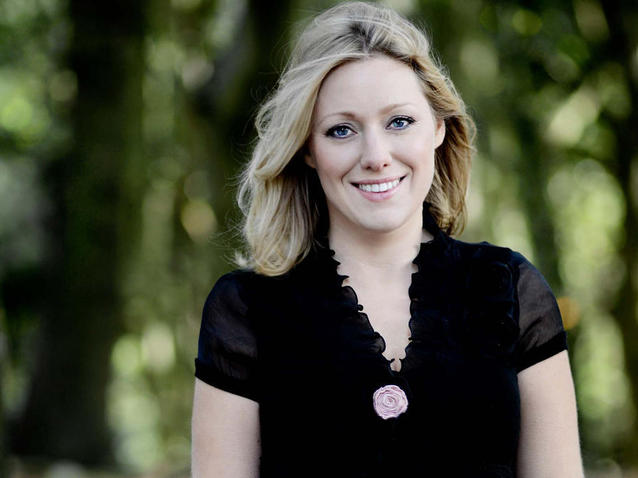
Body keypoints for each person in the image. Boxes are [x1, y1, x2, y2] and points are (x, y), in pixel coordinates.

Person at [191, 2, 584, 477]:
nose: (376, 155)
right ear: (308, 150)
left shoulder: (512, 290)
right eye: (341, 130)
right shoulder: (245, 310)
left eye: (399, 121)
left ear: (438, 127)